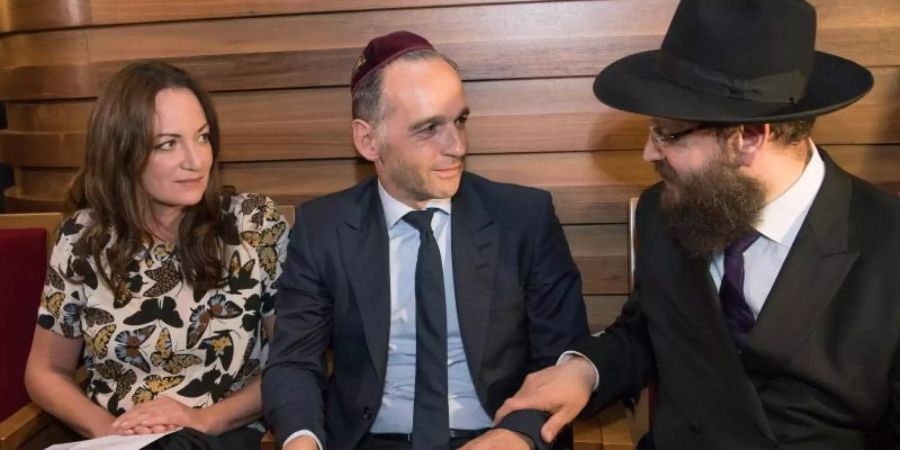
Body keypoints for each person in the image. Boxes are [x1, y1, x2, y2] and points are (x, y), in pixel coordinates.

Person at [494, 0, 900, 449]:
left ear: (748, 137)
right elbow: (647, 334)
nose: (649, 153)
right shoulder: (663, 210)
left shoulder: (888, 245)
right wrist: (583, 370)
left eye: (667, 134)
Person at [262, 31, 590, 450]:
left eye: (461, 121)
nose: (456, 146)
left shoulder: (523, 219)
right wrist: (301, 440)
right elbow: (293, 362)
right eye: (428, 128)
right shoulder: (322, 228)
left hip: (499, 436)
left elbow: (563, 358)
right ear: (368, 140)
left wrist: (519, 434)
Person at [24, 61, 288, 450]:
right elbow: (45, 369)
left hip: (219, 433)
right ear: (122, 152)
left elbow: (294, 365)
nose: (196, 161)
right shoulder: (83, 237)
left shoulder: (253, 224)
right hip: (115, 440)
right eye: (168, 144)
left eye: (202, 137)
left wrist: (201, 420)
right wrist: (108, 428)